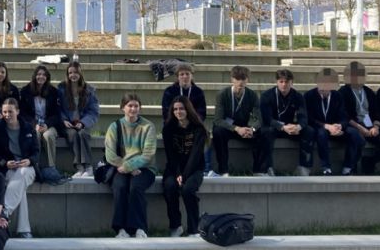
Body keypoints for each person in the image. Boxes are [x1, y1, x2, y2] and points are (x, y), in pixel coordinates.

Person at [104, 93, 157, 239]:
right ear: (123, 108)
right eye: (130, 106)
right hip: (120, 167)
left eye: (136, 106)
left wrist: (130, 166)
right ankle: (121, 229)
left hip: (145, 168)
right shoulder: (114, 127)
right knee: (120, 187)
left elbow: (148, 154)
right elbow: (110, 155)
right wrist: (128, 167)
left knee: (136, 187)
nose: (133, 109)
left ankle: (139, 228)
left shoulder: (148, 126)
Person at [338, 61, 380, 175]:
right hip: (354, 125)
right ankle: (350, 167)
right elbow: (344, 115)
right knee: (358, 139)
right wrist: (360, 128)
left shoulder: (368, 92)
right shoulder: (342, 92)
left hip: (371, 126)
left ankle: (370, 161)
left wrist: (376, 126)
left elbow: (377, 112)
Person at [0, 98, 38, 238]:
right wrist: (4, 163)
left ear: (18, 111)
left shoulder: (28, 127)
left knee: (22, 174)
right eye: (4, 112)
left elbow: (36, 152)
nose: (7, 114)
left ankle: (4, 212)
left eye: (10, 111)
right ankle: (24, 230)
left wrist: (29, 161)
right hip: (7, 169)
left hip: (27, 168)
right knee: (20, 189)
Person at [303, 68, 364, 175]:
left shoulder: (337, 96)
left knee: (354, 134)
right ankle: (326, 167)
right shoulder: (309, 96)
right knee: (322, 133)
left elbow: (344, 116)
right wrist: (326, 126)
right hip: (320, 127)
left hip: (336, 128)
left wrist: (339, 125)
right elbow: (308, 118)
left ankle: (348, 167)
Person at [162, 97, 206, 238]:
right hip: (174, 169)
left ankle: (193, 229)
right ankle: (176, 226)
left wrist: (184, 175)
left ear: (188, 109)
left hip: (194, 169)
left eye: (181, 108)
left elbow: (195, 155)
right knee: (170, 187)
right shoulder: (168, 129)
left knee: (188, 190)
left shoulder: (199, 129)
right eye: (175, 109)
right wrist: (178, 173)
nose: (178, 111)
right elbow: (171, 155)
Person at [210, 66, 263, 177]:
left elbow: (258, 118)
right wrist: (236, 129)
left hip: (245, 128)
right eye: (237, 79)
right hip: (228, 128)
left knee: (264, 133)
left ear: (248, 80)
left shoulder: (252, 95)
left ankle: (258, 170)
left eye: (243, 79)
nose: (240, 82)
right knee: (218, 131)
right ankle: (223, 170)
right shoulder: (222, 94)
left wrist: (252, 129)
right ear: (232, 80)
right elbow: (218, 119)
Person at [258, 69, 313, 177]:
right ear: (277, 82)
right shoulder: (266, 95)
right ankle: (267, 168)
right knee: (266, 132)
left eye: (287, 82)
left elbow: (303, 117)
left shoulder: (298, 96)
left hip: (291, 128)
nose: (284, 84)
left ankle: (304, 167)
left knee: (309, 131)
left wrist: (298, 127)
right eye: (281, 81)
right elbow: (266, 118)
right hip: (273, 127)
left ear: (292, 82)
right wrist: (282, 127)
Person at [19, 65, 64, 177]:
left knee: (48, 136)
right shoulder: (26, 91)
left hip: (49, 125)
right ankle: (35, 166)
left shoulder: (53, 92)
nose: (41, 77)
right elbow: (23, 113)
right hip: (33, 124)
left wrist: (47, 125)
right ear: (35, 76)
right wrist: (34, 124)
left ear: (47, 77)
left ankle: (51, 167)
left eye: (44, 75)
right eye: (39, 74)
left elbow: (57, 114)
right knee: (36, 135)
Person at [59, 61, 99, 178]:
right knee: (72, 135)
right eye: (70, 73)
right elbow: (58, 108)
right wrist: (64, 120)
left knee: (81, 134)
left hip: (83, 123)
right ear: (67, 74)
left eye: (76, 72)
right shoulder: (61, 89)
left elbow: (93, 111)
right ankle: (80, 167)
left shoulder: (89, 90)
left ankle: (88, 166)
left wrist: (83, 123)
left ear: (80, 73)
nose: (73, 75)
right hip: (68, 124)